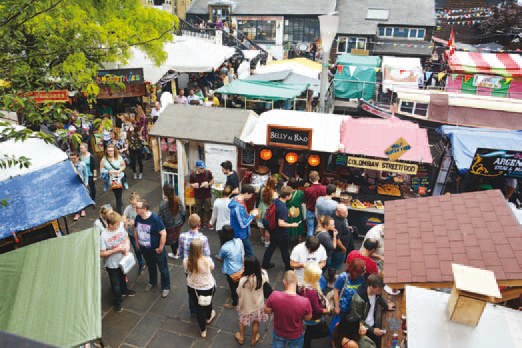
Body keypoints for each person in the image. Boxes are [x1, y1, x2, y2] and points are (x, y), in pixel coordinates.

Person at [264, 270, 313, 348]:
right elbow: (308, 318)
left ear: (284, 282)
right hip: (295, 335)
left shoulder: (274, 295)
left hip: (279, 332)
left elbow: (267, 310)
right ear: (297, 282)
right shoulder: (304, 301)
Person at [100, 211, 135, 313]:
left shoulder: (120, 228)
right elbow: (101, 253)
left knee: (123, 276)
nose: (119, 226)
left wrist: (127, 247)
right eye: (117, 224)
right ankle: (118, 302)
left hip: (123, 260)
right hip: (112, 264)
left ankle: (124, 290)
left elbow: (126, 238)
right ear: (110, 224)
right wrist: (116, 250)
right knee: (115, 283)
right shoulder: (103, 236)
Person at [134, 199, 171, 298]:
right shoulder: (138, 217)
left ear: (144, 209)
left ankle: (166, 287)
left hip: (156, 250)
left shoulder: (155, 219)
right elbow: (135, 229)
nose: (135, 209)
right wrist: (137, 242)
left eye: (137, 207)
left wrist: (160, 247)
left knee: (163, 269)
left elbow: (163, 233)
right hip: (145, 249)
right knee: (150, 266)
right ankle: (152, 282)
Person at [350, 274, 395, 347]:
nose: (381, 292)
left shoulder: (376, 293)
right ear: (371, 287)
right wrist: (372, 330)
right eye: (379, 290)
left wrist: (386, 306)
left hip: (372, 324)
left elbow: (379, 298)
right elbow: (358, 320)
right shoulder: (358, 300)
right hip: (363, 329)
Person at [261, 186, 300, 270]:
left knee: (272, 246)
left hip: (273, 229)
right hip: (281, 232)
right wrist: (293, 225)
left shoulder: (276, 201)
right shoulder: (283, 208)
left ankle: (265, 263)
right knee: (285, 250)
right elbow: (281, 223)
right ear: (287, 196)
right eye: (290, 195)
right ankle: (288, 266)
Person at [184, 239, 216, 338]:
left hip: (194, 288)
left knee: (199, 308)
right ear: (201, 249)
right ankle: (208, 316)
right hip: (208, 286)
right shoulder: (207, 260)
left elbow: (186, 270)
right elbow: (212, 268)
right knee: (208, 302)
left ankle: (203, 331)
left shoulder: (186, 261)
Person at [235, 255, 269, 346]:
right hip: (258, 306)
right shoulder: (263, 275)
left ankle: (241, 337)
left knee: (242, 321)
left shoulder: (243, 280)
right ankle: (253, 339)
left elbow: (238, 292)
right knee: (256, 322)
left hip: (245, 306)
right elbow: (267, 286)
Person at [332, 259, 366, 335]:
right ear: (355, 272)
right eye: (363, 271)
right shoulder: (343, 277)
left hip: (355, 308)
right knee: (341, 327)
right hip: (343, 308)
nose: (365, 272)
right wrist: (337, 307)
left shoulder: (362, 277)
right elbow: (336, 291)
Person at [300, 263, 330, 348]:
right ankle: (305, 339)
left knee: (309, 330)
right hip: (314, 317)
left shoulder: (304, 286)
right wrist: (327, 311)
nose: (320, 277)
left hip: (308, 314)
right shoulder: (311, 292)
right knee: (324, 332)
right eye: (318, 276)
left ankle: (306, 341)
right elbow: (317, 309)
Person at [229, 184, 259, 257]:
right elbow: (243, 224)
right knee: (249, 253)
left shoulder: (236, 199)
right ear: (246, 193)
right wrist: (252, 216)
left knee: (243, 252)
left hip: (239, 232)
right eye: (251, 195)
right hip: (240, 234)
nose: (251, 197)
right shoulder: (238, 207)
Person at [219, 225, 244, 310]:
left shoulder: (224, 247)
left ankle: (235, 303)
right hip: (240, 267)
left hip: (231, 270)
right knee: (238, 283)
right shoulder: (239, 241)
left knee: (232, 286)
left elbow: (221, 256)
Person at [159, 183, 186, 259]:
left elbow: (160, 217)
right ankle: (178, 250)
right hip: (178, 223)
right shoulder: (178, 199)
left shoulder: (163, 204)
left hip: (169, 225)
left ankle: (175, 253)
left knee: (172, 240)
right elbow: (182, 212)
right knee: (176, 236)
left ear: (164, 192)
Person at [123, 192, 146, 275]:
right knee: (136, 249)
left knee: (143, 249)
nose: (133, 207)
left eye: (135, 205)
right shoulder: (128, 208)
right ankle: (141, 264)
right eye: (132, 204)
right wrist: (126, 221)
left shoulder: (141, 210)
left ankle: (146, 260)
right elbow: (123, 217)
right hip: (132, 233)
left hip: (141, 234)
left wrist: (135, 223)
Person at [101, 144, 126, 214]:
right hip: (110, 180)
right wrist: (108, 171)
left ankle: (119, 210)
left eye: (112, 150)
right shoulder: (104, 159)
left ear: (114, 151)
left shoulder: (119, 157)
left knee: (119, 193)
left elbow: (123, 166)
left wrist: (118, 171)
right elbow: (101, 170)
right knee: (116, 193)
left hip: (120, 178)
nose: (110, 152)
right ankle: (120, 203)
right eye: (109, 151)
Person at [189, 160, 214, 229]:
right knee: (199, 210)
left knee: (207, 210)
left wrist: (208, 184)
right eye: (201, 168)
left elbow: (212, 180)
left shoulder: (208, 172)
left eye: (204, 168)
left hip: (207, 194)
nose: (203, 169)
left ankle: (206, 223)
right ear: (196, 167)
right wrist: (193, 185)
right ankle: (199, 222)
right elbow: (190, 184)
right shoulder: (193, 175)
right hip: (197, 195)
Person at [209, 186, 233, 253]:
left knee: (222, 242)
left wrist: (211, 222)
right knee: (230, 242)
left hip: (220, 226)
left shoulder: (217, 201)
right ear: (230, 194)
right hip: (230, 225)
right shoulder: (232, 203)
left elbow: (214, 214)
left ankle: (222, 255)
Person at [256, 177, 277, 247]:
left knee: (261, 225)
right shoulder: (274, 193)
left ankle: (262, 237)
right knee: (268, 229)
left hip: (261, 208)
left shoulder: (262, 189)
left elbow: (258, 199)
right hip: (269, 210)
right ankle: (267, 242)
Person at [304, 171, 326, 236]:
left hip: (310, 210)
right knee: (318, 228)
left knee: (310, 229)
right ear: (318, 178)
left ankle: (310, 244)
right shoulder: (324, 188)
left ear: (310, 179)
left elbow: (305, 199)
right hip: (320, 211)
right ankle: (316, 243)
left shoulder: (307, 190)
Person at [286, 178, 305, 248]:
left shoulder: (286, 192)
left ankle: (288, 238)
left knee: (288, 224)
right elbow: (303, 200)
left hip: (288, 211)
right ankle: (299, 239)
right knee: (299, 224)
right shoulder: (300, 193)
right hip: (297, 211)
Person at [70, 152, 89, 220]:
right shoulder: (70, 166)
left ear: (78, 157)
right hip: (73, 184)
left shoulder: (82, 164)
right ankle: (77, 212)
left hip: (81, 183)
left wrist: (86, 183)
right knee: (75, 198)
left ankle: (83, 209)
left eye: (74, 158)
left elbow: (85, 174)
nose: (73, 160)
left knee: (81, 197)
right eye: (71, 158)